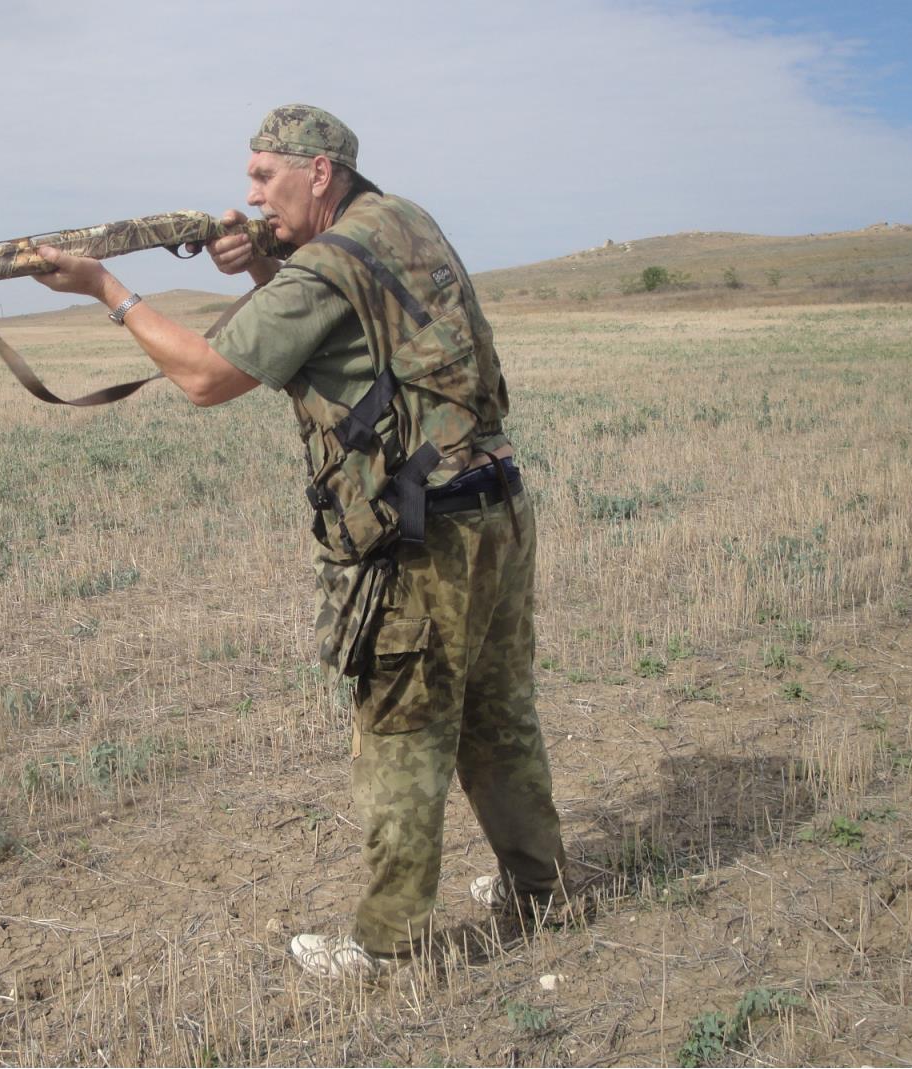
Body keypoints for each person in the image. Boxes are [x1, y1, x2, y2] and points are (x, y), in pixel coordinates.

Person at [31, 104, 573, 978]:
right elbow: (347, 332)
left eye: (263, 175)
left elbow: (207, 378)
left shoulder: (322, 264)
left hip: (424, 536)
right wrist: (263, 264)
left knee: (402, 734)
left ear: (318, 173)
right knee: (497, 716)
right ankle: (541, 890)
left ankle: (389, 947)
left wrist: (107, 290)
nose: (249, 195)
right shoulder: (401, 220)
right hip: (496, 505)